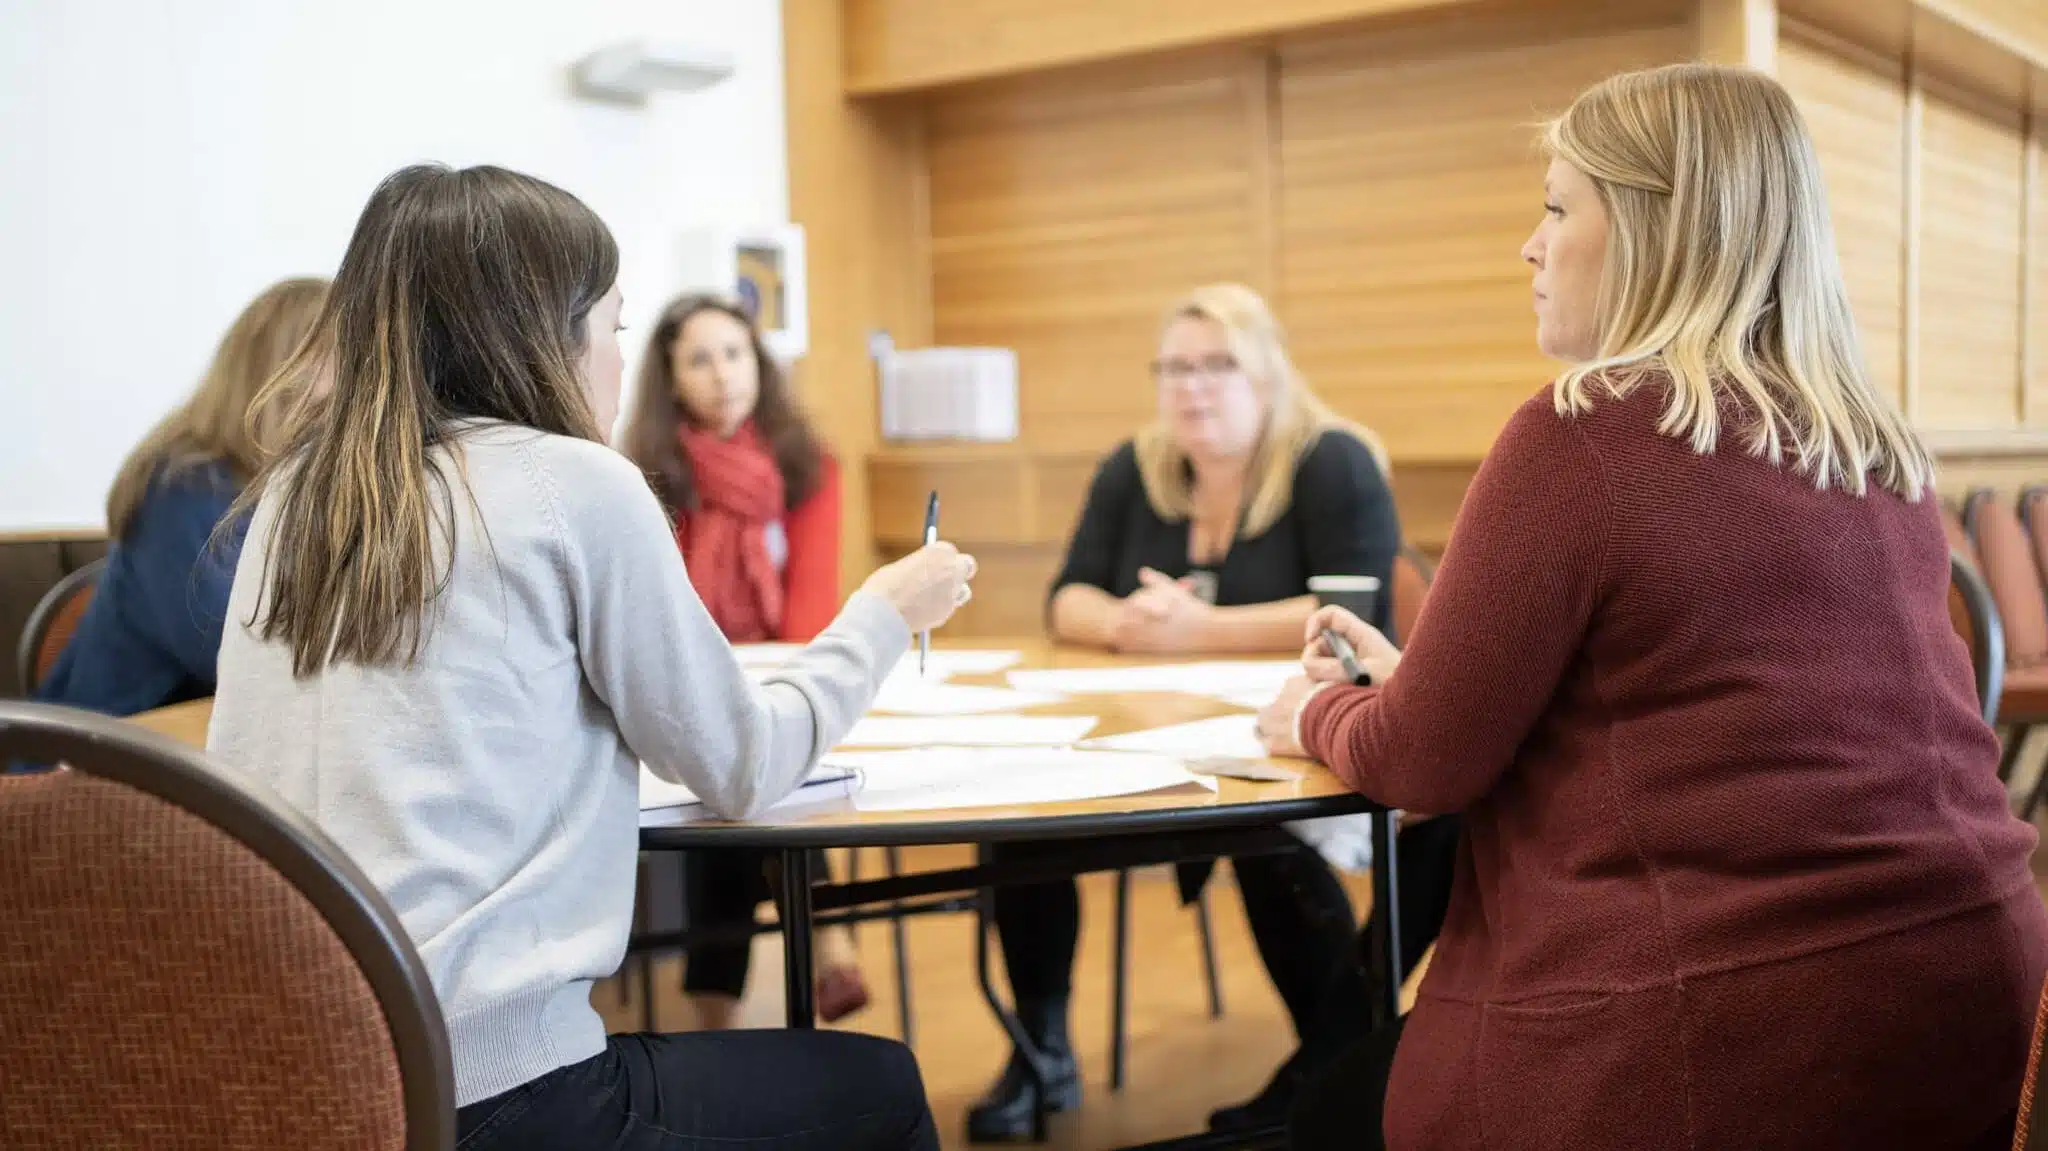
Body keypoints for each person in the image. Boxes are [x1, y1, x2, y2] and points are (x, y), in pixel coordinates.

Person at [1258, 63, 2048, 1151]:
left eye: (1552, 206)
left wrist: (1308, 714)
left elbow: (1421, 764)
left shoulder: (1581, 433)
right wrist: (1422, 676)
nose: (1527, 247)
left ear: (1646, 226)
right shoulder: (1875, 448)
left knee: (1326, 1115)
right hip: (1981, 1014)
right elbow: (1710, 712)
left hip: (1730, 1033)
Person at [206, 163, 976, 1151]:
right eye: (613, 325)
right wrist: (879, 613)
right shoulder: (575, 486)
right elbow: (743, 764)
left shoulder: (301, 494)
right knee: (879, 1082)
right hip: (495, 1092)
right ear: (544, 332)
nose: (617, 356)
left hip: (297, 1074)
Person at [967, 282, 1423, 1142]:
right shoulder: (1135, 467)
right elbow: (1067, 597)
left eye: (1217, 365)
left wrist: (1195, 630)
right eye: (1174, 367)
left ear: (1267, 375)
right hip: (1142, 740)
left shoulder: (1333, 460)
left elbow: (1362, 611)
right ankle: (1042, 1048)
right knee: (1017, 820)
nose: (1192, 387)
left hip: (1284, 740)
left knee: (1264, 836)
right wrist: (1124, 623)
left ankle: (1336, 1065)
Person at [619, 293, 866, 1026]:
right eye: (700, 359)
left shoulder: (807, 466)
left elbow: (812, 606)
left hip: (789, 680)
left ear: (759, 363)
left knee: (745, 784)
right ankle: (830, 940)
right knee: (734, 779)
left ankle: (713, 1009)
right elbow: (667, 619)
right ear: (671, 381)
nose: (724, 374)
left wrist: (767, 699)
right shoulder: (646, 479)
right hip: (688, 694)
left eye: (736, 353)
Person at [36, 276, 328, 716]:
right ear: (281, 371)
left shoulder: (281, 489)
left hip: (183, 754)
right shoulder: (180, 488)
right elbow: (240, 651)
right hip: (96, 764)